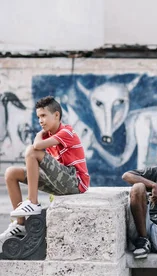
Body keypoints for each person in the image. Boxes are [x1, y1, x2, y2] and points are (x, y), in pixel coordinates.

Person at [1, 96, 90, 249]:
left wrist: (38, 135)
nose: (40, 121)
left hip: (75, 182)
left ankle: (33, 202)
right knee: (11, 173)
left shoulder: (66, 131)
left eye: (43, 116)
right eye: (38, 117)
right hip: (59, 181)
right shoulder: (48, 135)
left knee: (31, 151)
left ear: (56, 115)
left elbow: (37, 146)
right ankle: (20, 224)